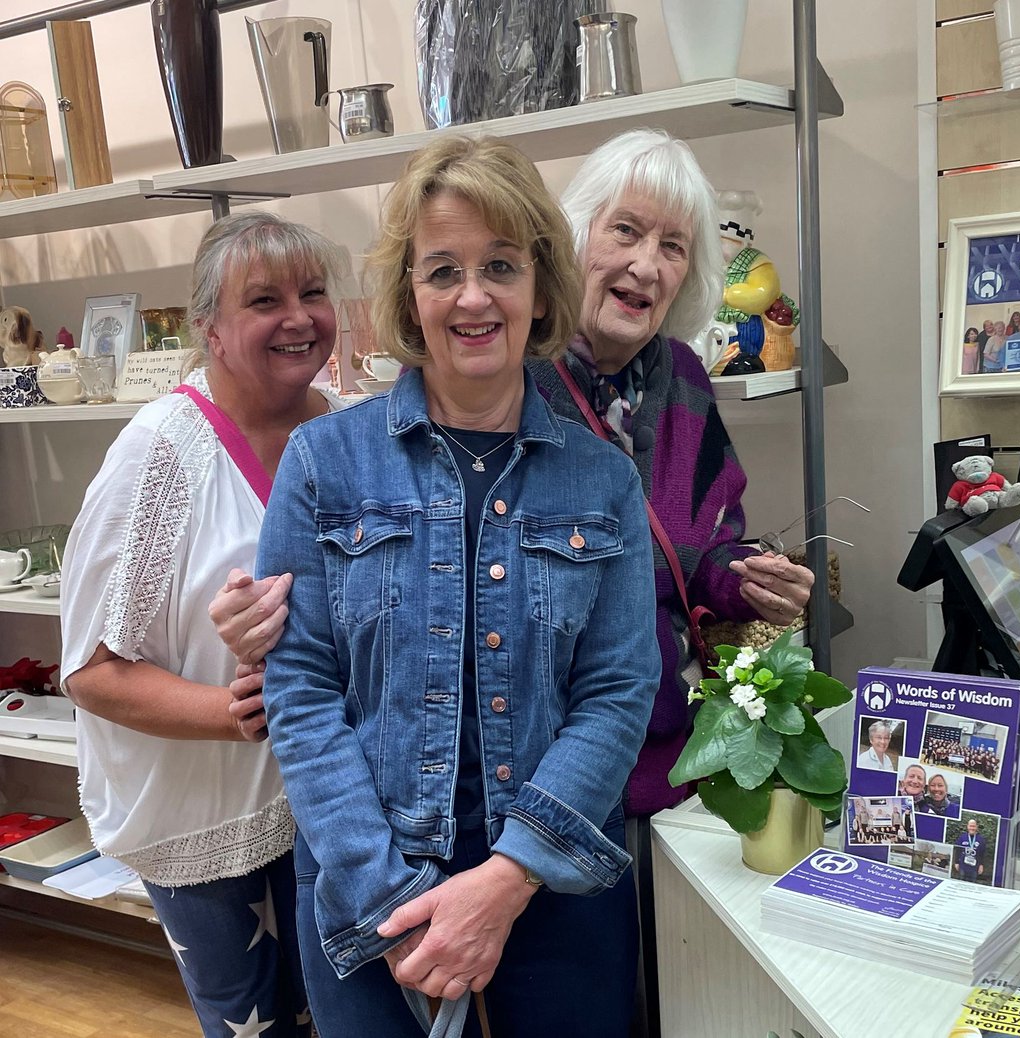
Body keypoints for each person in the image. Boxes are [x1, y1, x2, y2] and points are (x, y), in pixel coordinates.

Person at [253, 135, 658, 1038]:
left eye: (501, 266)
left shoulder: (604, 481)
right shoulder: (323, 464)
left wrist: (506, 880)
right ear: (410, 295)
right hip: (368, 877)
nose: (473, 297)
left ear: (541, 289)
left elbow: (619, 691)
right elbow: (301, 689)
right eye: (443, 271)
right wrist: (387, 898)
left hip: (555, 875)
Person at [58, 211, 349, 1037]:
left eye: (313, 292)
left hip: (331, 800)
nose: (298, 317)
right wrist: (231, 714)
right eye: (264, 300)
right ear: (209, 328)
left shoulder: (347, 427)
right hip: (207, 822)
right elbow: (90, 672)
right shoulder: (160, 454)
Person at [529, 129, 814, 818]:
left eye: (673, 246)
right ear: (577, 235)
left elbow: (709, 541)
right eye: (625, 231)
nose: (646, 265)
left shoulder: (682, 375)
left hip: (671, 754)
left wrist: (751, 581)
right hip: (548, 766)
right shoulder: (515, 380)